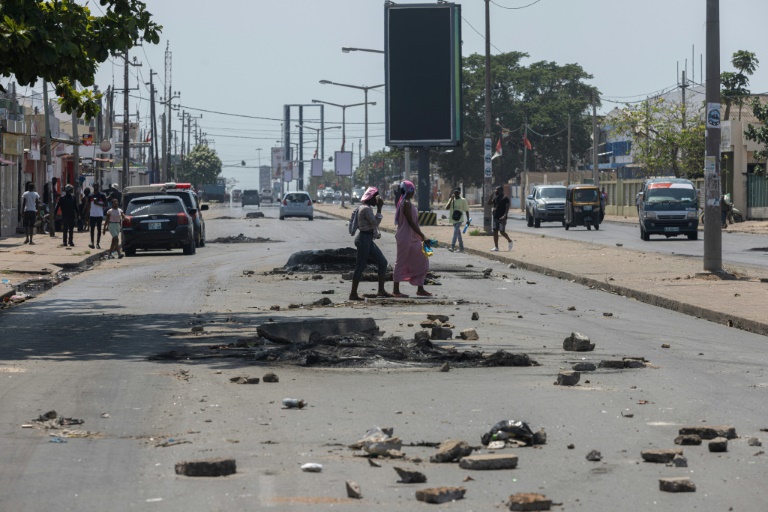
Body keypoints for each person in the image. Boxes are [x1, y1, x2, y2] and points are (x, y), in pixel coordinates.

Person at [349, 187, 391, 301]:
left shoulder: (365, 208)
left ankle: (381, 290)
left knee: (383, 262)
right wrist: (380, 208)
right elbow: (375, 223)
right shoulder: (366, 209)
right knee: (360, 266)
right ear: (370, 198)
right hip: (363, 239)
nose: (377, 201)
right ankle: (353, 293)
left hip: (367, 239)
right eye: (376, 198)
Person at [392, 180, 431, 298]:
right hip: (405, 237)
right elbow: (410, 222)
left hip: (413, 237)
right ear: (410, 190)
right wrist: (423, 235)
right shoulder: (406, 203)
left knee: (423, 259)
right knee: (401, 261)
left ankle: (420, 288)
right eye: (413, 190)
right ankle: (396, 290)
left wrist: (419, 235)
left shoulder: (406, 202)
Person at [488, 186, 513, 251]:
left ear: (501, 191)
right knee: (495, 231)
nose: (495, 191)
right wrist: (491, 195)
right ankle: (496, 247)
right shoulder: (496, 198)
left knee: (502, 232)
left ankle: (509, 240)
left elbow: (507, 208)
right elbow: (489, 203)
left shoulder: (505, 198)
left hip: (502, 218)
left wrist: (505, 215)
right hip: (495, 217)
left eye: (497, 190)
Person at [445, 188, 468, 252]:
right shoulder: (451, 200)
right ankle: (461, 247)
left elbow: (466, 210)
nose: (456, 194)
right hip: (453, 219)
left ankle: (452, 246)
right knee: (458, 233)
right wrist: (451, 200)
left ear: (459, 193)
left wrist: (468, 219)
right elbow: (447, 208)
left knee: (455, 231)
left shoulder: (463, 200)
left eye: (457, 192)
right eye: (455, 192)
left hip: (460, 219)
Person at [88, 183, 107, 249]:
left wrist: (98, 203)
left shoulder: (102, 195)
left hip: (99, 214)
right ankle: (92, 243)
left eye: (97, 186)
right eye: (94, 186)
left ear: (98, 187)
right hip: (92, 214)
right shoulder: (90, 195)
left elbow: (106, 204)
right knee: (92, 229)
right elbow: (88, 205)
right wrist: (87, 214)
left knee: (99, 229)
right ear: (93, 186)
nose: (96, 187)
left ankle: (98, 243)